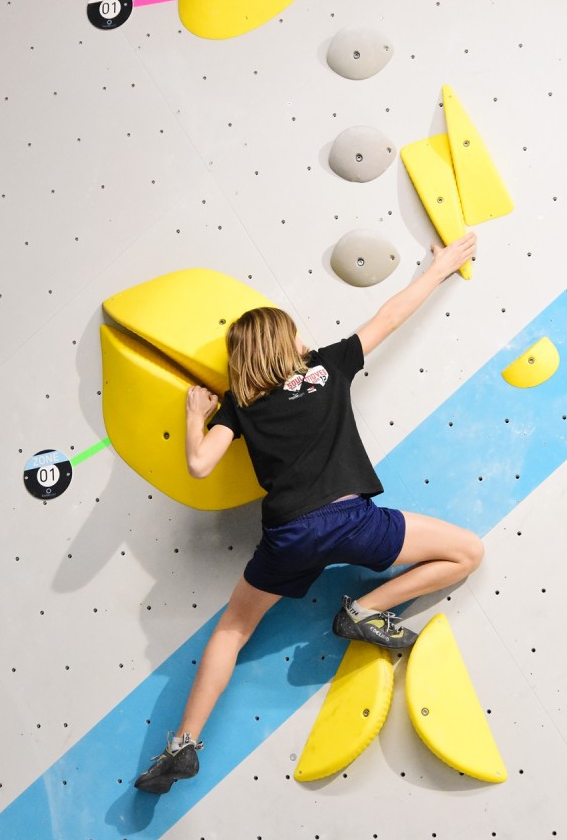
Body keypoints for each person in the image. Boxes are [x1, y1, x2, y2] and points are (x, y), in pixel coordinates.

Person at [135, 232, 484, 793]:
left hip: (289, 538)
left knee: (233, 629)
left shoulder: (241, 405)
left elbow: (200, 465)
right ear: (285, 339)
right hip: (352, 523)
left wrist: (195, 411)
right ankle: (366, 611)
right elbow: (390, 316)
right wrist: (439, 267)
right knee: (468, 552)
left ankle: (182, 744)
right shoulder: (327, 367)